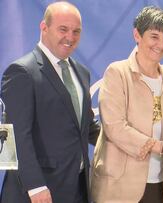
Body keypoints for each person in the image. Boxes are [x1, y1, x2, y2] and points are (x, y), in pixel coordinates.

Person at [90, 6, 163, 203]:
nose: (161, 44)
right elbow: (115, 127)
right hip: (120, 187)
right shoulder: (117, 73)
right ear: (137, 35)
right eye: (154, 36)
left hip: (162, 186)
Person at [0, 1, 100, 203]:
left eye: (76, 31)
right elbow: (17, 135)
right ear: (43, 27)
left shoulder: (82, 73)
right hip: (37, 192)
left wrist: (129, 145)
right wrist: (35, 186)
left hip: (77, 188)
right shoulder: (21, 72)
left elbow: (87, 127)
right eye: (63, 29)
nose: (70, 37)